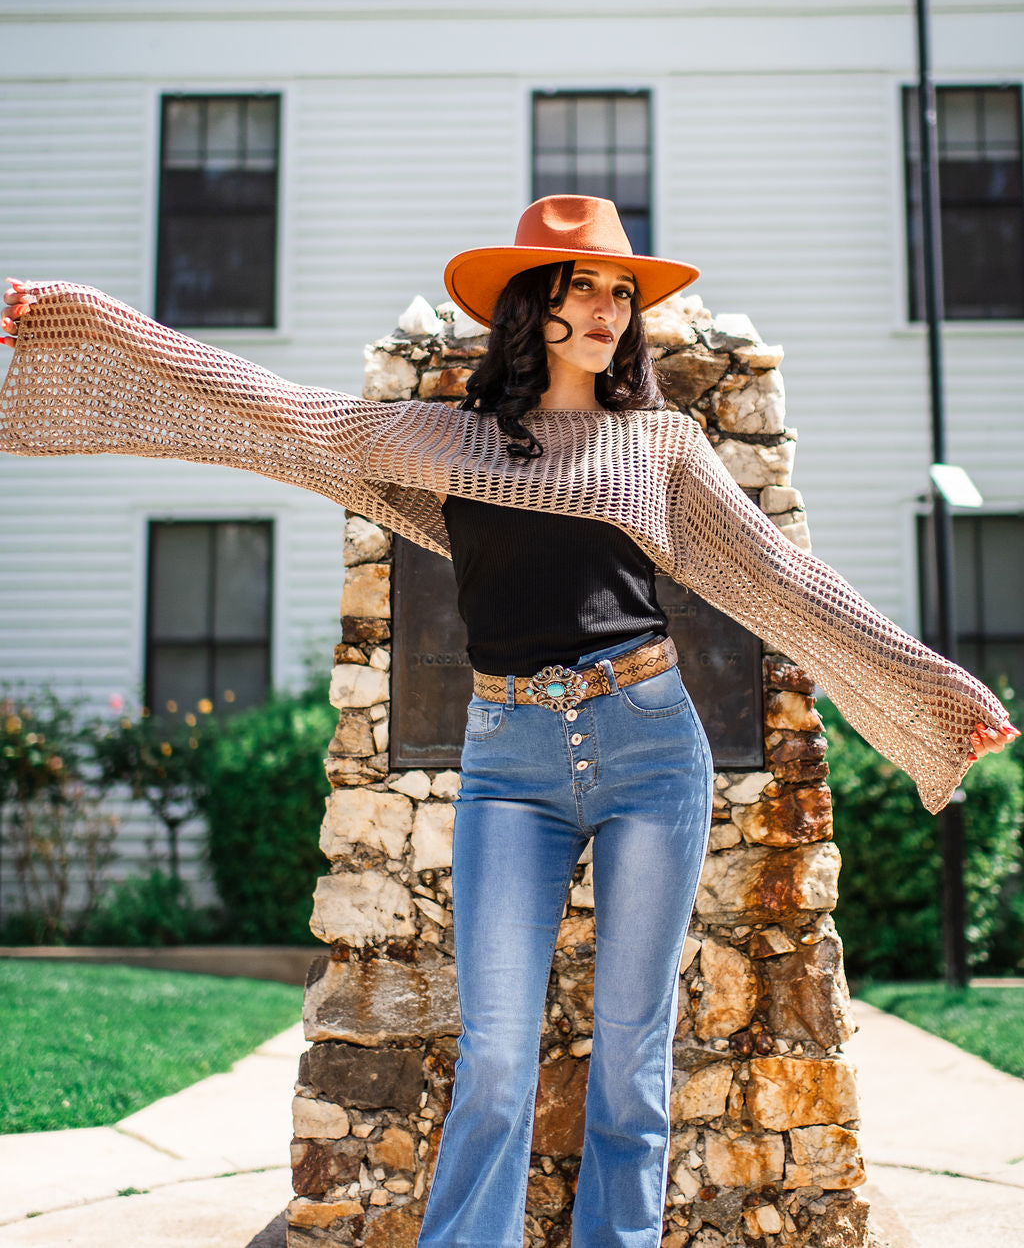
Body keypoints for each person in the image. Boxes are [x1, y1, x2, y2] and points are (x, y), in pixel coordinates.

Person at [1, 194, 1016, 1248]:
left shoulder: (657, 445)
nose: (606, 309)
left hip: (650, 746)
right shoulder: (447, 441)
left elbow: (781, 580)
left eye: (619, 291)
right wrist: (79, 320)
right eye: (581, 286)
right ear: (532, 304)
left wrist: (936, 687)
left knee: (632, 1046)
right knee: (492, 1049)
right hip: (508, 761)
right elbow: (271, 408)